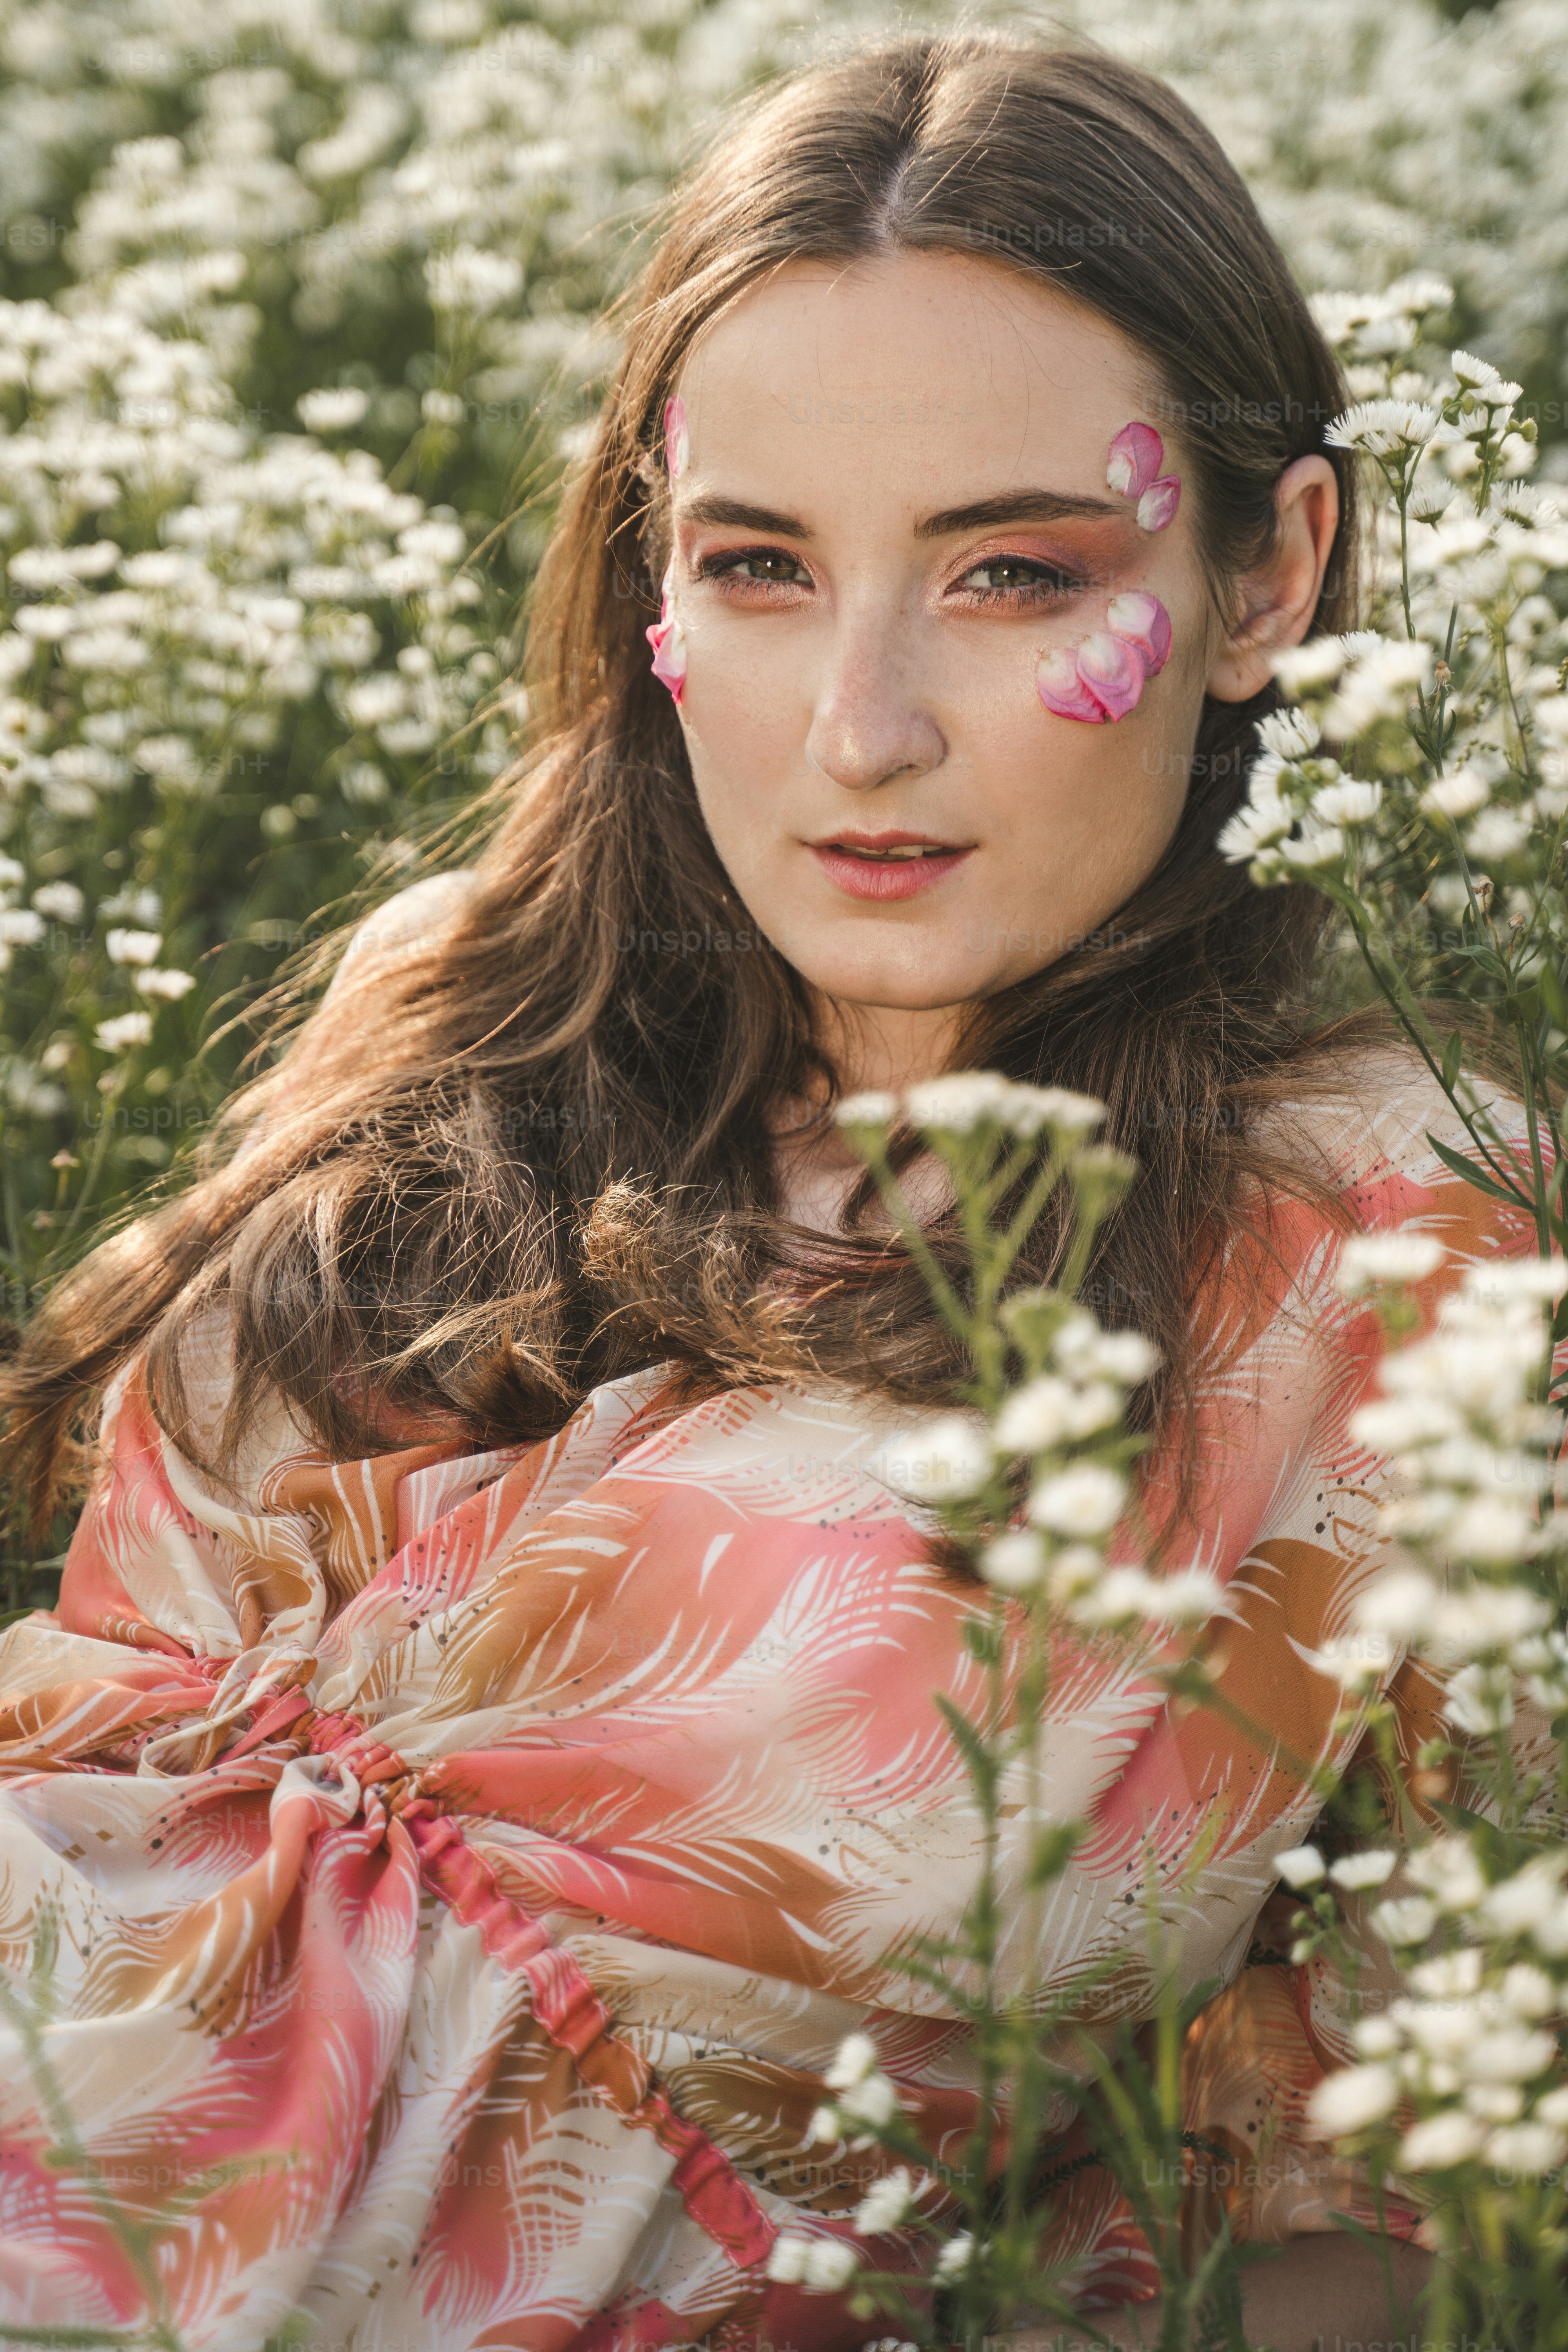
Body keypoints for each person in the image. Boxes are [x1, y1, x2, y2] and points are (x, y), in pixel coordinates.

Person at [0, 27, 1539, 2351]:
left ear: (1267, 575)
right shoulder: (470, 1015)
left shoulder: (1386, 1231)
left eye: (1015, 575)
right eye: (760, 566)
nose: (864, 727)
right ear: (654, 586)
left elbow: (1432, 2199)